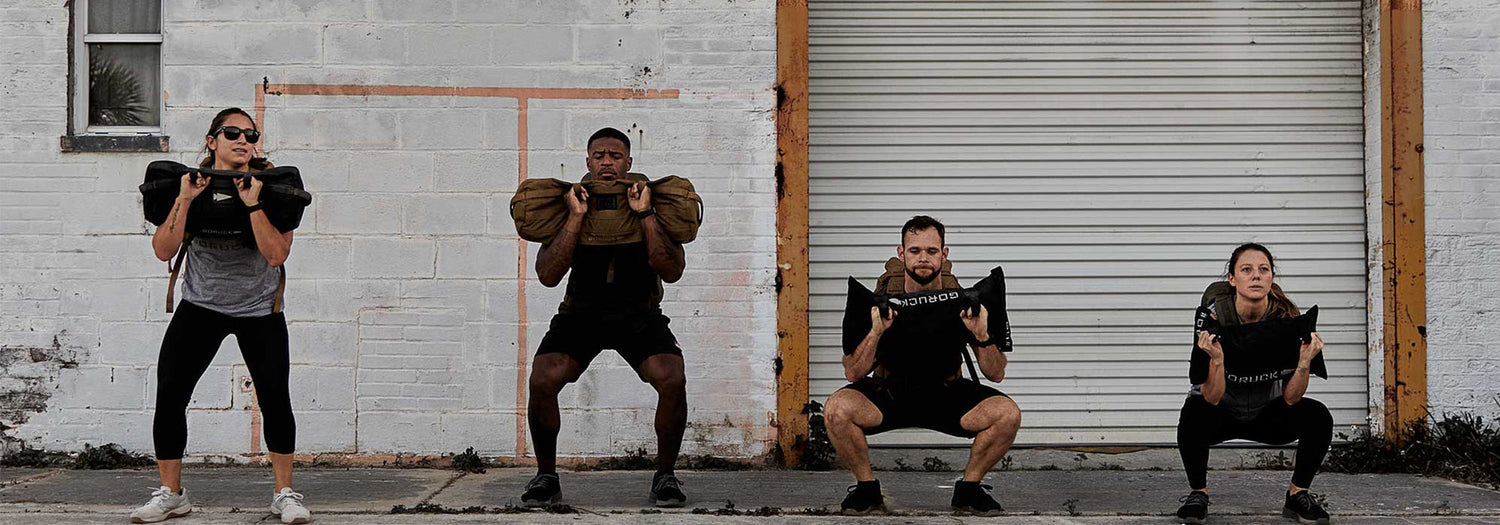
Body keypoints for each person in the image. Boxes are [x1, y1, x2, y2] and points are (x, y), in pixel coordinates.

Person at [130, 108, 310, 524]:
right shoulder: (189, 185)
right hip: (201, 307)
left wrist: (251, 205)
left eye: (251, 134)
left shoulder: (273, 189)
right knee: (171, 395)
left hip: (259, 309)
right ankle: (172, 494)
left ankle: (284, 494)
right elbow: (163, 249)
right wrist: (185, 198)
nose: (243, 140)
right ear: (212, 140)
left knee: (275, 398)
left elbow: (276, 254)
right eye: (232, 132)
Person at [520, 127, 690, 508]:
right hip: (581, 314)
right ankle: (546, 475)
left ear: (629, 163)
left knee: (672, 376)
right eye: (599, 155)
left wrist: (644, 214)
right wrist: (576, 218)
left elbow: (672, 269)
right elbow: (547, 275)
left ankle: (665, 477)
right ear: (588, 162)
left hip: (639, 314)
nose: (607, 162)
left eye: (615, 155)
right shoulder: (570, 205)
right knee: (543, 378)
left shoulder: (649, 203)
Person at [823, 215, 1022, 516]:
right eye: (915, 251)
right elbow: (853, 372)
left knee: (1007, 415)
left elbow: (995, 373)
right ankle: (866, 489)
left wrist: (981, 334)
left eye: (931, 251)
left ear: (944, 254)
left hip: (946, 393)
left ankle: (969, 490)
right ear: (902, 254)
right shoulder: (881, 301)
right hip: (889, 393)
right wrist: (877, 331)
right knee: (837, 410)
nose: (923, 259)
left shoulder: (964, 301)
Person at [1175, 243, 1332, 525]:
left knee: (1318, 416)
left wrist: (1304, 362)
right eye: (1246, 270)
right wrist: (1218, 360)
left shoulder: (1287, 321)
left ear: (1272, 278)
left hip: (1266, 413)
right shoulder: (1212, 320)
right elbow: (1210, 397)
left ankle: (1297, 495)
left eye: (1263, 270)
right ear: (1232, 280)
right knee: (1192, 413)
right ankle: (1198, 494)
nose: (1256, 276)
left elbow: (1292, 399)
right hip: (1222, 410)